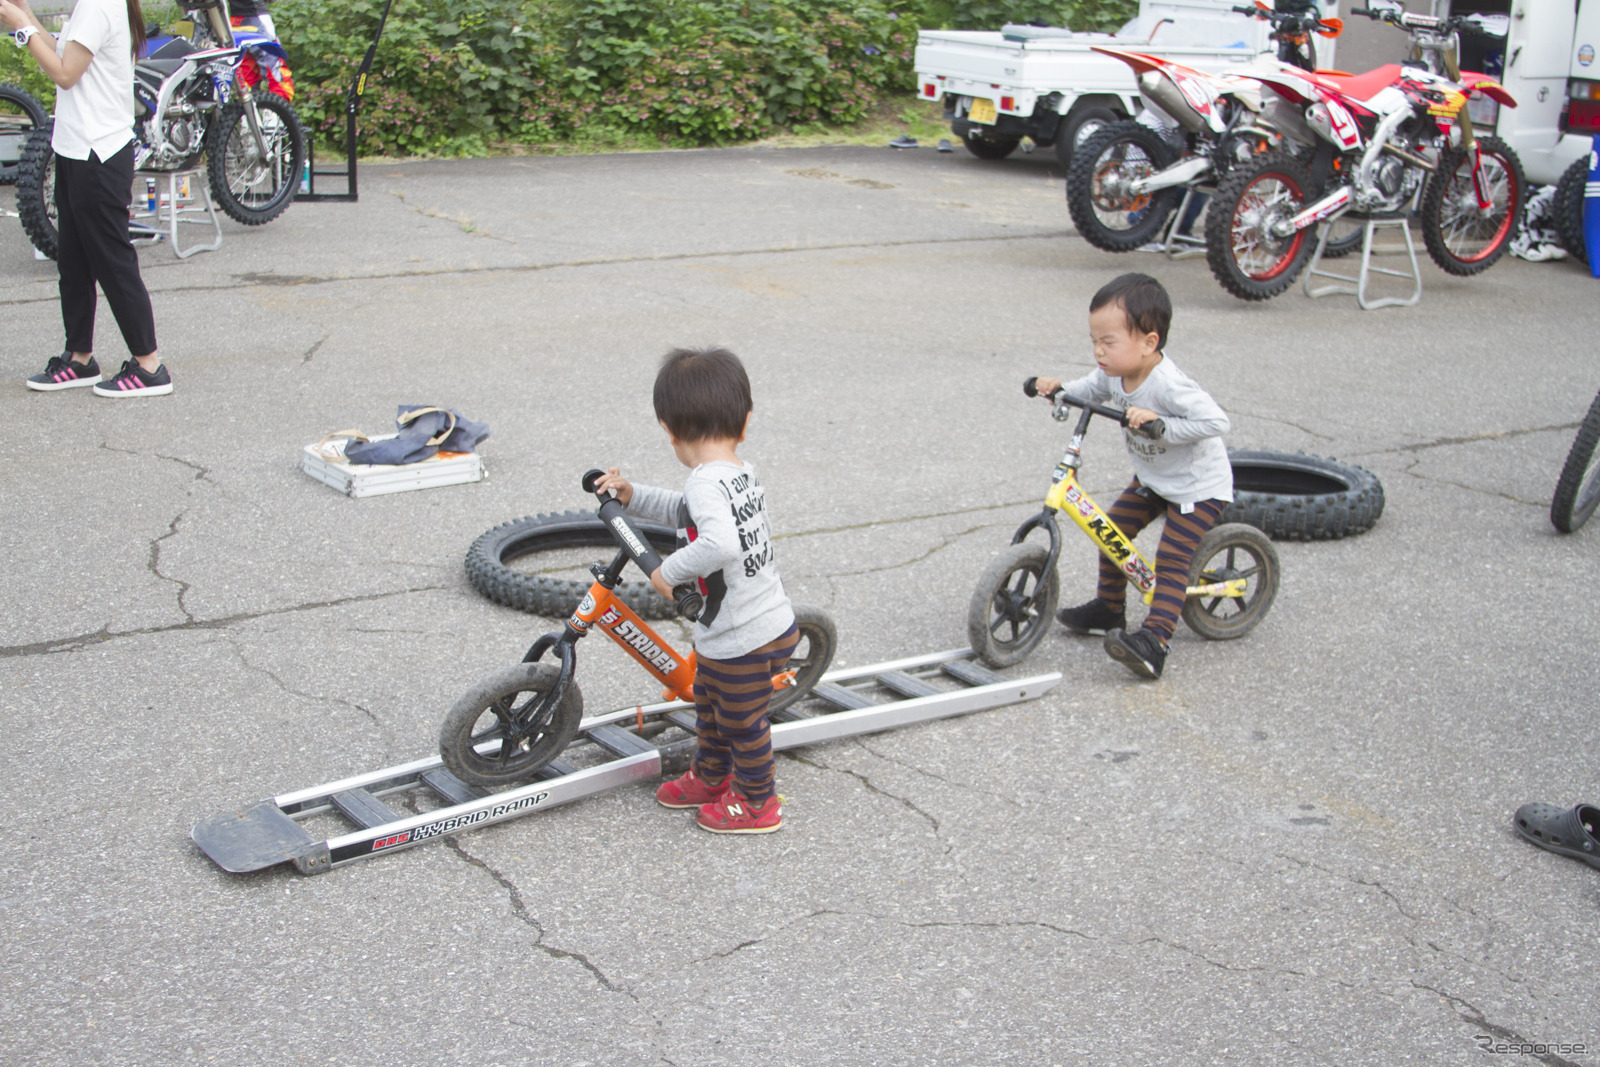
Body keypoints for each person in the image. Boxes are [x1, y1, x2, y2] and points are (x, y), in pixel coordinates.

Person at [596, 347, 798, 835]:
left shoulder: (706, 482)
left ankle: (757, 802)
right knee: (709, 704)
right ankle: (712, 776)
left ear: (668, 428)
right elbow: (687, 510)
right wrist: (633, 496)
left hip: (741, 638)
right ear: (744, 422)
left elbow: (720, 541)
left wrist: (667, 572)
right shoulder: (734, 473)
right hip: (761, 623)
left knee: (740, 723)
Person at [1031, 273, 1231, 680]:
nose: (1098, 351)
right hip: (1155, 479)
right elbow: (1088, 387)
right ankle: (1109, 609)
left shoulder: (1170, 386)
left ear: (1148, 343)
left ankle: (1155, 641)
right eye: (1094, 341)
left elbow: (1216, 420)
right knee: (1111, 532)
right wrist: (1058, 388)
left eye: (1108, 342)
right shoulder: (1112, 372)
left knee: (1172, 560)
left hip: (1197, 486)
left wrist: (1163, 425)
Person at [3, 0, 169, 397]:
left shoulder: (98, 4)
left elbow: (64, 74)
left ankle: (149, 365)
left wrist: (22, 30)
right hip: (74, 147)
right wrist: (26, 18)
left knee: (113, 260)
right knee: (74, 261)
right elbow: (64, 52)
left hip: (99, 153)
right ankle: (80, 358)